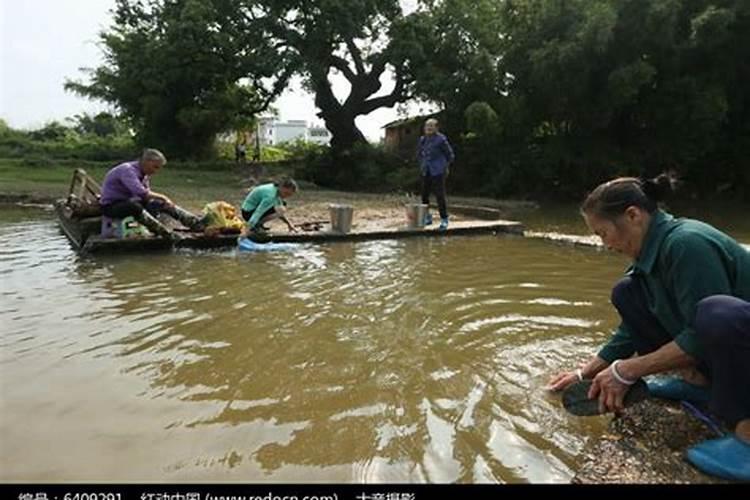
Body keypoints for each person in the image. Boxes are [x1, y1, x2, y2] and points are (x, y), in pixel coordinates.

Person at [547, 173, 750, 481]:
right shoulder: (650, 257)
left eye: (602, 234)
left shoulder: (686, 244)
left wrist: (628, 370)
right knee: (626, 292)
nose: (604, 245)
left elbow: (705, 330)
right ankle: (701, 385)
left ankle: (747, 437)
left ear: (633, 215)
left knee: (716, 313)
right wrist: (584, 373)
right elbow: (630, 330)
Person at [99, 148, 205, 239]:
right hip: (111, 206)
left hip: (128, 202)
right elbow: (141, 193)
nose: (156, 171)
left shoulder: (143, 174)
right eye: (155, 167)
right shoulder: (128, 170)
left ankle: (195, 223)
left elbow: (147, 196)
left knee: (158, 203)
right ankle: (163, 232)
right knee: (134, 207)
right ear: (147, 161)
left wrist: (162, 203)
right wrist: (164, 197)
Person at [416, 118, 455, 230]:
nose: (428, 128)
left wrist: (444, 167)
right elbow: (419, 154)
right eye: (427, 126)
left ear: (436, 128)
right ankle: (427, 217)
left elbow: (450, 155)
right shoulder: (423, 139)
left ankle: (444, 219)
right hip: (426, 170)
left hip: (438, 171)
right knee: (424, 195)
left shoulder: (441, 139)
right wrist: (421, 163)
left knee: (439, 195)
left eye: (431, 126)